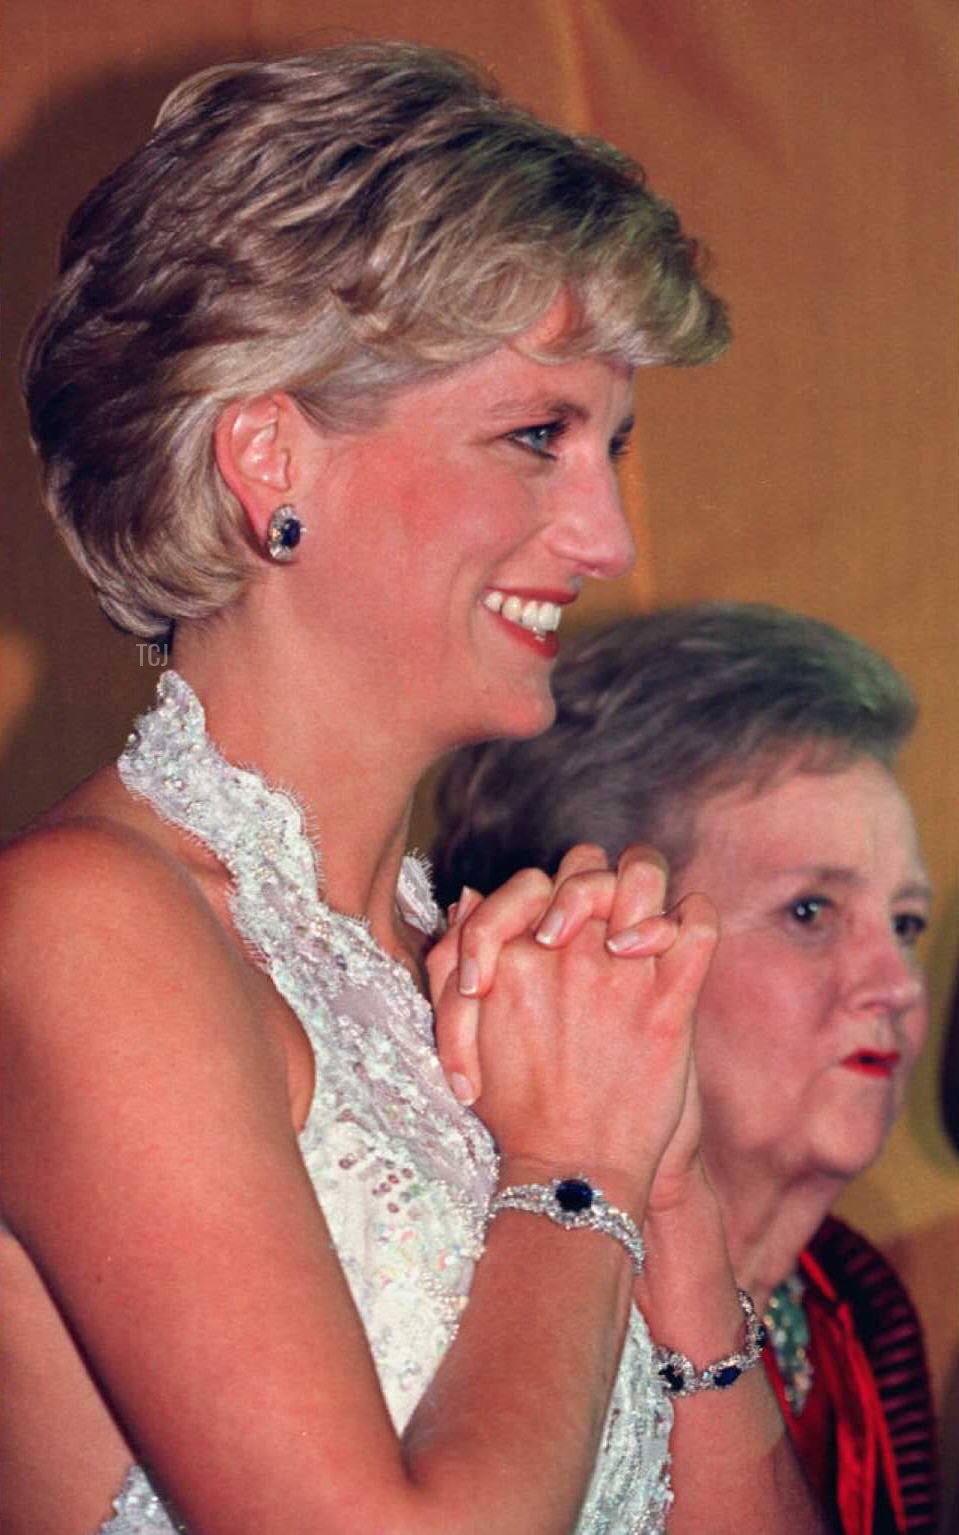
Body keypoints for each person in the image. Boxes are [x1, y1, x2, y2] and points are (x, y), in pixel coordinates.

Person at [0, 44, 826, 1535]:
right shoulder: (87, 923)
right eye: (535, 436)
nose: (602, 537)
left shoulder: (462, 966)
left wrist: (670, 1190)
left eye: (612, 447)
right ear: (265, 453)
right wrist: (570, 1167)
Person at [432, 602, 940, 1535]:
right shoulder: (483, 1302)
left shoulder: (854, 1296)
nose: (897, 984)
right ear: (602, 944)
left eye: (905, 923)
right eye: (810, 911)